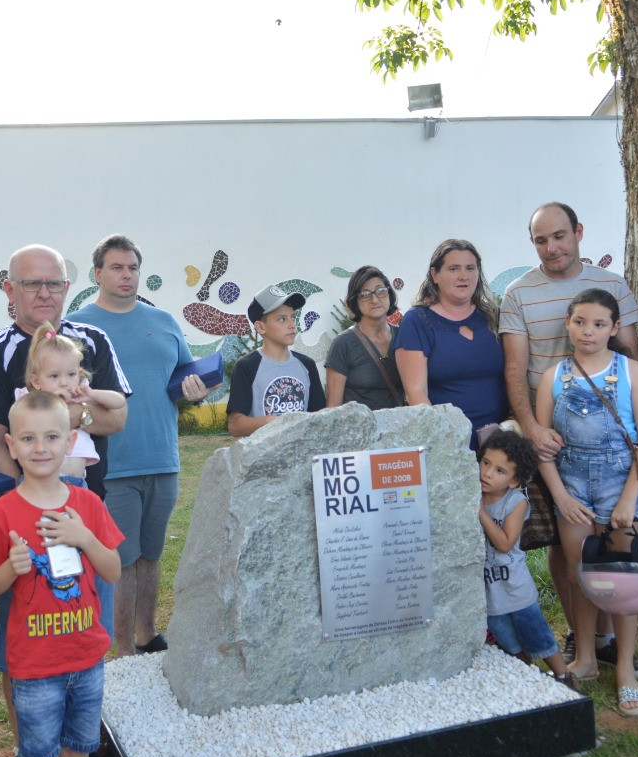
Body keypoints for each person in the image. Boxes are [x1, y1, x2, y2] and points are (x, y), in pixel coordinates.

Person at [0, 243, 128, 757]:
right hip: (26, 513)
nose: (44, 293)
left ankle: (78, 749)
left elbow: (115, 418)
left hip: (82, 508)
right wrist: (26, 488)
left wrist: (74, 412)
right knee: (29, 632)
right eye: (32, 284)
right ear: (9, 289)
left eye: (53, 284)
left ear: (68, 287)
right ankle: (30, 751)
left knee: (85, 623)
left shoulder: (90, 341)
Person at [499, 202, 638, 679]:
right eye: (541, 240)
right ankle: (582, 639)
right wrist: (533, 430)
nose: (552, 247)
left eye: (560, 236)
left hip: (613, 449)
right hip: (554, 441)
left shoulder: (614, 287)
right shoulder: (519, 293)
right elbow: (514, 367)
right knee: (569, 552)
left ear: (578, 232)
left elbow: (629, 355)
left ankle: (611, 645)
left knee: (617, 553)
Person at [0, 391, 123, 757]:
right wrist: (10, 567)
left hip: (87, 660)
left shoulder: (87, 504)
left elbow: (114, 570)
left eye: (52, 437)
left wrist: (84, 538)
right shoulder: (0, 513)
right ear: (11, 446)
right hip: (35, 668)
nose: (41, 448)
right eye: (28, 439)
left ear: (70, 441)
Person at [69, 235, 213, 656]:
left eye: (132, 267)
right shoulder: (78, 327)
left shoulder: (165, 322)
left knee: (150, 554)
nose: (126, 275)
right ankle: (119, 649)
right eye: (116, 268)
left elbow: (186, 380)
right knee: (120, 560)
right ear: (98, 273)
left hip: (162, 457)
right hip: (111, 463)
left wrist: (196, 391)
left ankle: (146, 634)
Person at [535, 289, 638, 717]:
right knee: (580, 575)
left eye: (599, 324)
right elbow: (543, 447)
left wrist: (629, 498)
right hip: (570, 484)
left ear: (614, 328)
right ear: (568, 323)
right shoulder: (555, 376)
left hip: (618, 483)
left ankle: (625, 667)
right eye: (580, 322)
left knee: (623, 578)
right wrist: (559, 495)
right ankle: (586, 657)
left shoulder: (632, 372)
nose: (588, 331)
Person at [477, 429, 576, 688]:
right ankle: (531, 681)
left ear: (513, 481)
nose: (487, 473)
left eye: (500, 470)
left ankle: (565, 677)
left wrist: (479, 511)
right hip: (490, 594)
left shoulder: (515, 502)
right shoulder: (473, 496)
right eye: (486, 463)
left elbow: (504, 543)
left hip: (517, 591)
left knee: (539, 638)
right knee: (509, 643)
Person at [395, 240, 506, 448]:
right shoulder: (417, 321)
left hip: (499, 446)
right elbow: (415, 393)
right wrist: (447, 444)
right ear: (435, 275)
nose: (463, 276)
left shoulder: (493, 316)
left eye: (470, 268)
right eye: (454, 268)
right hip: (449, 444)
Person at [20, 322, 127, 486]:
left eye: (70, 374)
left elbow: (118, 402)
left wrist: (92, 394)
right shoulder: (32, 400)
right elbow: (26, 426)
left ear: (79, 374)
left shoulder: (81, 394)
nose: (64, 383)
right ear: (36, 381)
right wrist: (52, 402)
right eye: (54, 376)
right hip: (41, 483)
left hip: (78, 483)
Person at [227, 284, 325, 438]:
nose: (292, 324)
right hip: (262, 457)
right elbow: (235, 425)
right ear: (261, 327)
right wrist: (272, 421)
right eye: (282, 319)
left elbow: (319, 417)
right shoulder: (246, 366)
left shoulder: (307, 365)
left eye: (292, 317)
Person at [325, 265, 404, 410]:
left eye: (381, 291)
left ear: (389, 294)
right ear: (355, 301)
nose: (374, 299)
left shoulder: (404, 337)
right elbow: (332, 408)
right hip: (361, 429)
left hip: (401, 427)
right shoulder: (343, 344)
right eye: (365, 294)